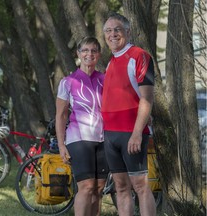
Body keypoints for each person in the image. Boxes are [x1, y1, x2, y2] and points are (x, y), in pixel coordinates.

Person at [101, 12, 156, 216]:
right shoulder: (110, 61)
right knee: (121, 188)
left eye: (117, 29)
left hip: (131, 133)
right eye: (108, 30)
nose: (112, 34)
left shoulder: (139, 55)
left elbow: (147, 99)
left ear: (127, 31)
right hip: (110, 135)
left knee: (140, 186)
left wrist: (136, 132)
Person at [55, 36, 109, 216]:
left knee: (99, 188)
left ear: (99, 55)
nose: (89, 54)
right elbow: (61, 115)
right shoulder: (68, 82)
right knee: (86, 186)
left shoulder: (105, 80)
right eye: (85, 50)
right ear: (78, 53)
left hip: (103, 139)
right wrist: (61, 145)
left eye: (93, 50)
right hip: (78, 139)